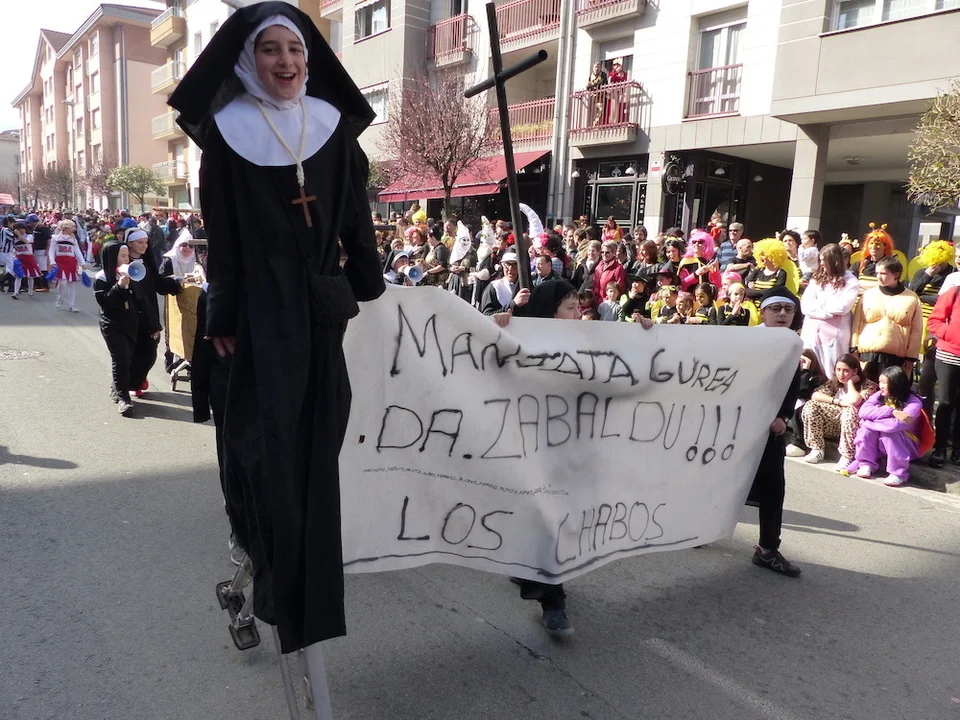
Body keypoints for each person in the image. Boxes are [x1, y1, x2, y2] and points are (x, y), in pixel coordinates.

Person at [169, 2, 387, 656]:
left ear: (308, 58)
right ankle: (276, 585)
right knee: (268, 457)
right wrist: (223, 315)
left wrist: (367, 284)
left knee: (317, 450)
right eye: (270, 49)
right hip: (260, 318)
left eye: (294, 49)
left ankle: (306, 590)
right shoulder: (228, 133)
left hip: (319, 314)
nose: (285, 61)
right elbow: (223, 235)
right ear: (247, 60)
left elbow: (356, 220)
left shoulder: (332, 127)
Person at [490, 279, 580, 637]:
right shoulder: (522, 340)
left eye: (579, 306)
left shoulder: (588, 341)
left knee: (554, 517)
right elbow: (486, 360)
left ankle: (529, 567)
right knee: (546, 517)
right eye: (570, 308)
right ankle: (553, 603)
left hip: (569, 449)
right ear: (550, 312)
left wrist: (645, 333)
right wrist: (499, 323)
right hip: (531, 447)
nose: (579, 314)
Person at [745, 285, 803, 577]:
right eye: (775, 309)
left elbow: (791, 387)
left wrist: (783, 416)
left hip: (769, 430)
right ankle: (699, 529)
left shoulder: (793, 345)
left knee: (773, 486)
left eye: (788, 309)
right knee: (716, 479)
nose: (782, 314)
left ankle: (768, 549)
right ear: (763, 312)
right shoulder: (745, 341)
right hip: (735, 426)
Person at [843, 366, 926, 487]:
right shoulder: (879, 395)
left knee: (888, 432)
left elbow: (895, 425)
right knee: (866, 430)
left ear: (896, 383)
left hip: (907, 443)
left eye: (884, 382)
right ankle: (866, 464)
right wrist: (891, 412)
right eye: (880, 382)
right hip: (882, 439)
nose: (881, 386)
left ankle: (898, 473)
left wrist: (869, 421)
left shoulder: (914, 403)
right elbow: (863, 411)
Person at [799, 354, 878, 469]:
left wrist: (850, 383)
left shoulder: (868, 385)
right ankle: (817, 449)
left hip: (854, 427)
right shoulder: (834, 383)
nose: (841, 374)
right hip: (834, 425)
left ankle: (847, 456)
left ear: (855, 371)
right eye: (838, 370)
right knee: (811, 405)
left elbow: (855, 401)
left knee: (850, 411)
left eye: (846, 371)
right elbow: (815, 395)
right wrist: (838, 402)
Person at [852, 255, 923, 382]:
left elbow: (916, 330)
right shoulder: (868, 295)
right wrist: (853, 347)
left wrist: (911, 357)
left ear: (896, 275)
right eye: (877, 273)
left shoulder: (912, 298)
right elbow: (856, 323)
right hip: (868, 355)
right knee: (865, 390)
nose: (879, 277)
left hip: (896, 358)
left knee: (891, 392)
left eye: (883, 273)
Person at [94, 242, 141, 417]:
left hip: (131, 323)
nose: (127, 259)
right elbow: (106, 303)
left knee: (129, 359)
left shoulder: (132, 273)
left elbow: (140, 301)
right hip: (112, 325)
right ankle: (124, 399)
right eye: (123, 256)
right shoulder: (102, 278)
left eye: (127, 255)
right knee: (120, 359)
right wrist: (119, 286)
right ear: (112, 257)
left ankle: (116, 386)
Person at [800, 243, 859, 377]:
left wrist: (819, 306)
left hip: (835, 335)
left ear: (834, 261)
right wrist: (827, 311)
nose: (821, 264)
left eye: (824, 260)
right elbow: (806, 306)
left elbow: (842, 307)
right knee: (808, 366)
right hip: (812, 331)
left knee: (832, 371)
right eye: (820, 260)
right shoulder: (816, 279)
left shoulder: (850, 281)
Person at [925, 280, 960, 467]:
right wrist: (949, 334)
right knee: (946, 402)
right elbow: (934, 321)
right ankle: (939, 448)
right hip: (949, 355)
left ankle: (958, 450)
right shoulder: (954, 293)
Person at [785, 350, 827, 458]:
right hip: (791, 415)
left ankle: (799, 444)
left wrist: (806, 370)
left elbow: (802, 393)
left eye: (803, 361)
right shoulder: (795, 375)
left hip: (807, 412)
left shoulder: (818, 379)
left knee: (799, 407)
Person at [48, 219, 86, 313]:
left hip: (71, 262)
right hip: (60, 261)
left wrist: (82, 262)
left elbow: (77, 251)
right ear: (65, 228)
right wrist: (52, 261)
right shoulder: (55, 238)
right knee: (62, 281)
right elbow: (51, 251)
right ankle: (60, 297)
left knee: (71, 283)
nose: (74, 229)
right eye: (72, 227)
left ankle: (71, 305)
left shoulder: (73, 239)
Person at [480, 251, 529, 315]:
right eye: (507, 264)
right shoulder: (494, 287)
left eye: (515, 265)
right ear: (502, 265)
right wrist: (513, 304)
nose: (510, 269)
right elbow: (486, 315)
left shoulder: (527, 288)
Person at [10, 222, 41, 298]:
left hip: (29, 258)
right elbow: (14, 249)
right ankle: (15, 292)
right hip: (19, 258)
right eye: (18, 229)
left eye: (22, 229)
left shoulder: (29, 236)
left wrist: (19, 235)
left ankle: (30, 291)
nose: (21, 231)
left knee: (30, 276)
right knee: (18, 276)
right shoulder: (15, 238)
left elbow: (26, 241)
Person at [592, 240, 626, 307]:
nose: (604, 254)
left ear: (614, 253)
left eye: (607, 252)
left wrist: (606, 300)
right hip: (596, 303)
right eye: (602, 252)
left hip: (608, 305)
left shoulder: (618, 268)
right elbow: (594, 285)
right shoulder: (599, 266)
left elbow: (620, 288)